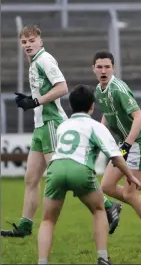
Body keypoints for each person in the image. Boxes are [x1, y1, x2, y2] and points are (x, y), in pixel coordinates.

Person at [37, 84, 141, 265]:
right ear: (92, 105)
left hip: (55, 168)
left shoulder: (63, 125)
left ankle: (42, 261)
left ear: (71, 106)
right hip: (80, 169)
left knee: (48, 220)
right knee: (99, 209)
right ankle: (102, 258)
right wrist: (130, 176)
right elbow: (116, 157)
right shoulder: (95, 126)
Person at [1, 25, 69, 238]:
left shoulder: (45, 59)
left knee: (62, 176)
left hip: (51, 122)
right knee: (31, 179)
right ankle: (25, 226)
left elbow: (63, 87)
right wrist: (30, 100)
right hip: (41, 126)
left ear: (40, 41)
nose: (28, 45)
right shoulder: (35, 62)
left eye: (31, 40)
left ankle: (106, 205)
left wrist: (36, 101)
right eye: (24, 42)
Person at [93, 51, 141, 242]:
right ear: (93, 69)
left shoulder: (118, 88)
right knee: (107, 186)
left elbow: (139, 118)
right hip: (125, 144)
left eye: (107, 67)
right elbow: (107, 117)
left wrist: (126, 144)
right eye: (99, 67)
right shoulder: (99, 90)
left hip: (140, 143)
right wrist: (98, 135)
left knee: (130, 193)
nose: (103, 70)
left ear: (113, 68)